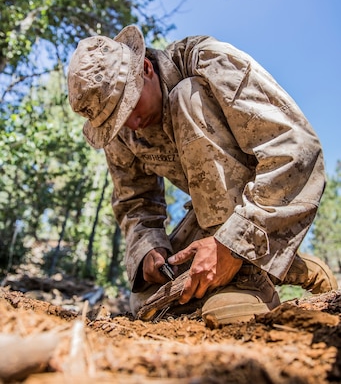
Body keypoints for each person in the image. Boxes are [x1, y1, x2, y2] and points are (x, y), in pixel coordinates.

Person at [67, 25, 338, 325]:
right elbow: (135, 201)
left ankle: (247, 277)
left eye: (129, 106)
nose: (131, 124)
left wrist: (231, 248)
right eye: (115, 121)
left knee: (187, 96)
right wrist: (148, 249)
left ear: (145, 69)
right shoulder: (123, 130)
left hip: (261, 199)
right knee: (148, 300)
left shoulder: (210, 62)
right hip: (212, 214)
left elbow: (296, 148)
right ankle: (290, 266)